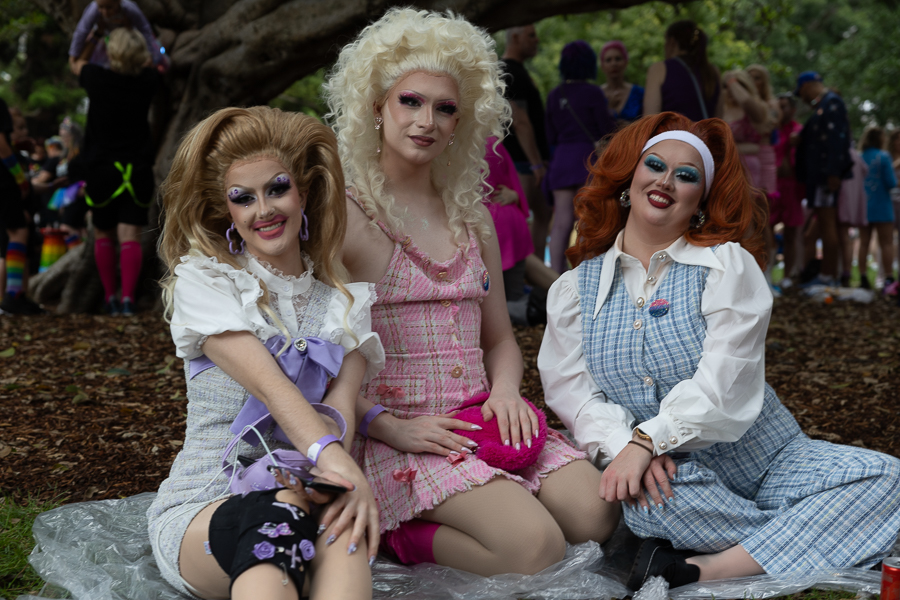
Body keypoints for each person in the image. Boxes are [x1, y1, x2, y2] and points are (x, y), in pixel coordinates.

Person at [538, 111, 900, 590]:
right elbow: (573, 394)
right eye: (655, 165)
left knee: (888, 480)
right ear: (628, 180)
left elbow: (724, 383)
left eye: (686, 175)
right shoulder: (574, 290)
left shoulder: (725, 266)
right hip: (676, 479)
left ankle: (705, 568)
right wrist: (627, 448)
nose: (666, 180)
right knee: (647, 504)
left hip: (771, 461)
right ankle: (836, 532)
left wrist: (648, 440)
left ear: (700, 201)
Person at [326, 7, 619, 577]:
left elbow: (501, 340)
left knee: (596, 513)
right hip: (398, 432)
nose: (426, 121)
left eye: (445, 108)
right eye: (410, 101)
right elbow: (316, 361)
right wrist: (385, 425)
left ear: (463, 122)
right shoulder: (345, 215)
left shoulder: (473, 216)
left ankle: (494, 505)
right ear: (375, 106)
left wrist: (506, 393)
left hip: (482, 415)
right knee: (535, 548)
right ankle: (401, 534)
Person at [148, 105, 384, 600]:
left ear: (302, 192)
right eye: (243, 198)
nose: (263, 210)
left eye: (276, 189)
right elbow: (273, 389)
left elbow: (336, 416)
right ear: (228, 211)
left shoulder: (344, 304)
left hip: (305, 493)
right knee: (280, 513)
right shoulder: (208, 282)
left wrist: (337, 477)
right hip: (206, 505)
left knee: (345, 535)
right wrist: (336, 463)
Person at [71, 28, 160, 315]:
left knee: (103, 234)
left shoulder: (96, 77)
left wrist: (94, 37)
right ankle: (128, 300)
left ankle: (110, 297)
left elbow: (76, 63)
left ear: (112, 53)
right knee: (130, 236)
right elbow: (156, 61)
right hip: (137, 170)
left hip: (102, 170)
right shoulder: (149, 80)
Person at [545, 41, 616, 274]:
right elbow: (605, 128)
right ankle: (584, 274)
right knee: (587, 220)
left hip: (561, 160)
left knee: (560, 223)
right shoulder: (593, 92)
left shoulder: (555, 95)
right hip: (587, 159)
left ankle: (553, 277)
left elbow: (550, 134)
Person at [483, 137, 558, 325]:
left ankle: (539, 311)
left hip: (487, 224)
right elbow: (514, 183)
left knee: (495, 298)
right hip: (510, 219)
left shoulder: (455, 146)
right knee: (513, 292)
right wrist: (515, 195)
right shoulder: (492, 142)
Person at [500, 24, 552, 264]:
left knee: (543, 214)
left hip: (527, 162)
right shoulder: (509, 72)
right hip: (520, 162)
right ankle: (524, 278)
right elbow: (519, 121)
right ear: (515, 37)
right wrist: (536, 164)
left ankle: (537, 279)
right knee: (520, 220)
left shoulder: (517, 71)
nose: (536, 40)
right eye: (531, 35)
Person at [795, 71, 852, 287]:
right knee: (821, 225)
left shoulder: (832, 103)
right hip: (820, 175)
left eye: (801, 92)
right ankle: (825, 274)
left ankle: (828, 276)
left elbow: (837, 140)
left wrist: (833, 172)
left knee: (828, 224)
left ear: (807, 86)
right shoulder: (824, 104)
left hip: (826, 176)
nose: (802, 98)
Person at [0, 100, 42, 314]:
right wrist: (20, 179)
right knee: (17, 233)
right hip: (4, 181)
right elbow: (1, 145)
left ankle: (17, 295)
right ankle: (13, 295)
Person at [643, 21, 722, 121]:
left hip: (674, 131)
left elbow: (650, 119)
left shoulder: (659, 69)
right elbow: (719, 117)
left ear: (671, 42)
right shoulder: (713, 71)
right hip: (705, 131)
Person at [68, 0, 165, 72]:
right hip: (105, 40)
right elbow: (81, 31)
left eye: (109, 7)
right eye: (101, 7)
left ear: (119, 2)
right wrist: (73, 55)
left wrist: (150, 54)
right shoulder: (93, 10)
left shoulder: (129, 9)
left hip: (128, 39)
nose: (105, 12)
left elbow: (145, 29)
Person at [857, 126, 897, 290]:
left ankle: (863, 277)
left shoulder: (860, 157)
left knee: (863, 243)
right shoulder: (884, 156)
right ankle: (888, 278)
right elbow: (891, 182)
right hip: (882, 206)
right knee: (886, 243)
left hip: (863, 207)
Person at [771, 93, 804, 288]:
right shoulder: (770, 129)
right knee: (766, 228)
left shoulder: (798, 130)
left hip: (792, 186)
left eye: (784, 106)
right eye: (778, 106)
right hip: (772, 185)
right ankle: (766, 271)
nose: (781, 110)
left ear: (792, 109)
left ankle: (788, 275)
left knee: (791, 232)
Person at [600, 40, 643, 127]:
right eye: (608, 60)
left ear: (626, 62)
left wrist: (630, 127)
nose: (614, 63)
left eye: (618, 59)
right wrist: (609, 109)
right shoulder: (596, 94)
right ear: (602, 65)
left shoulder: (639, 93)